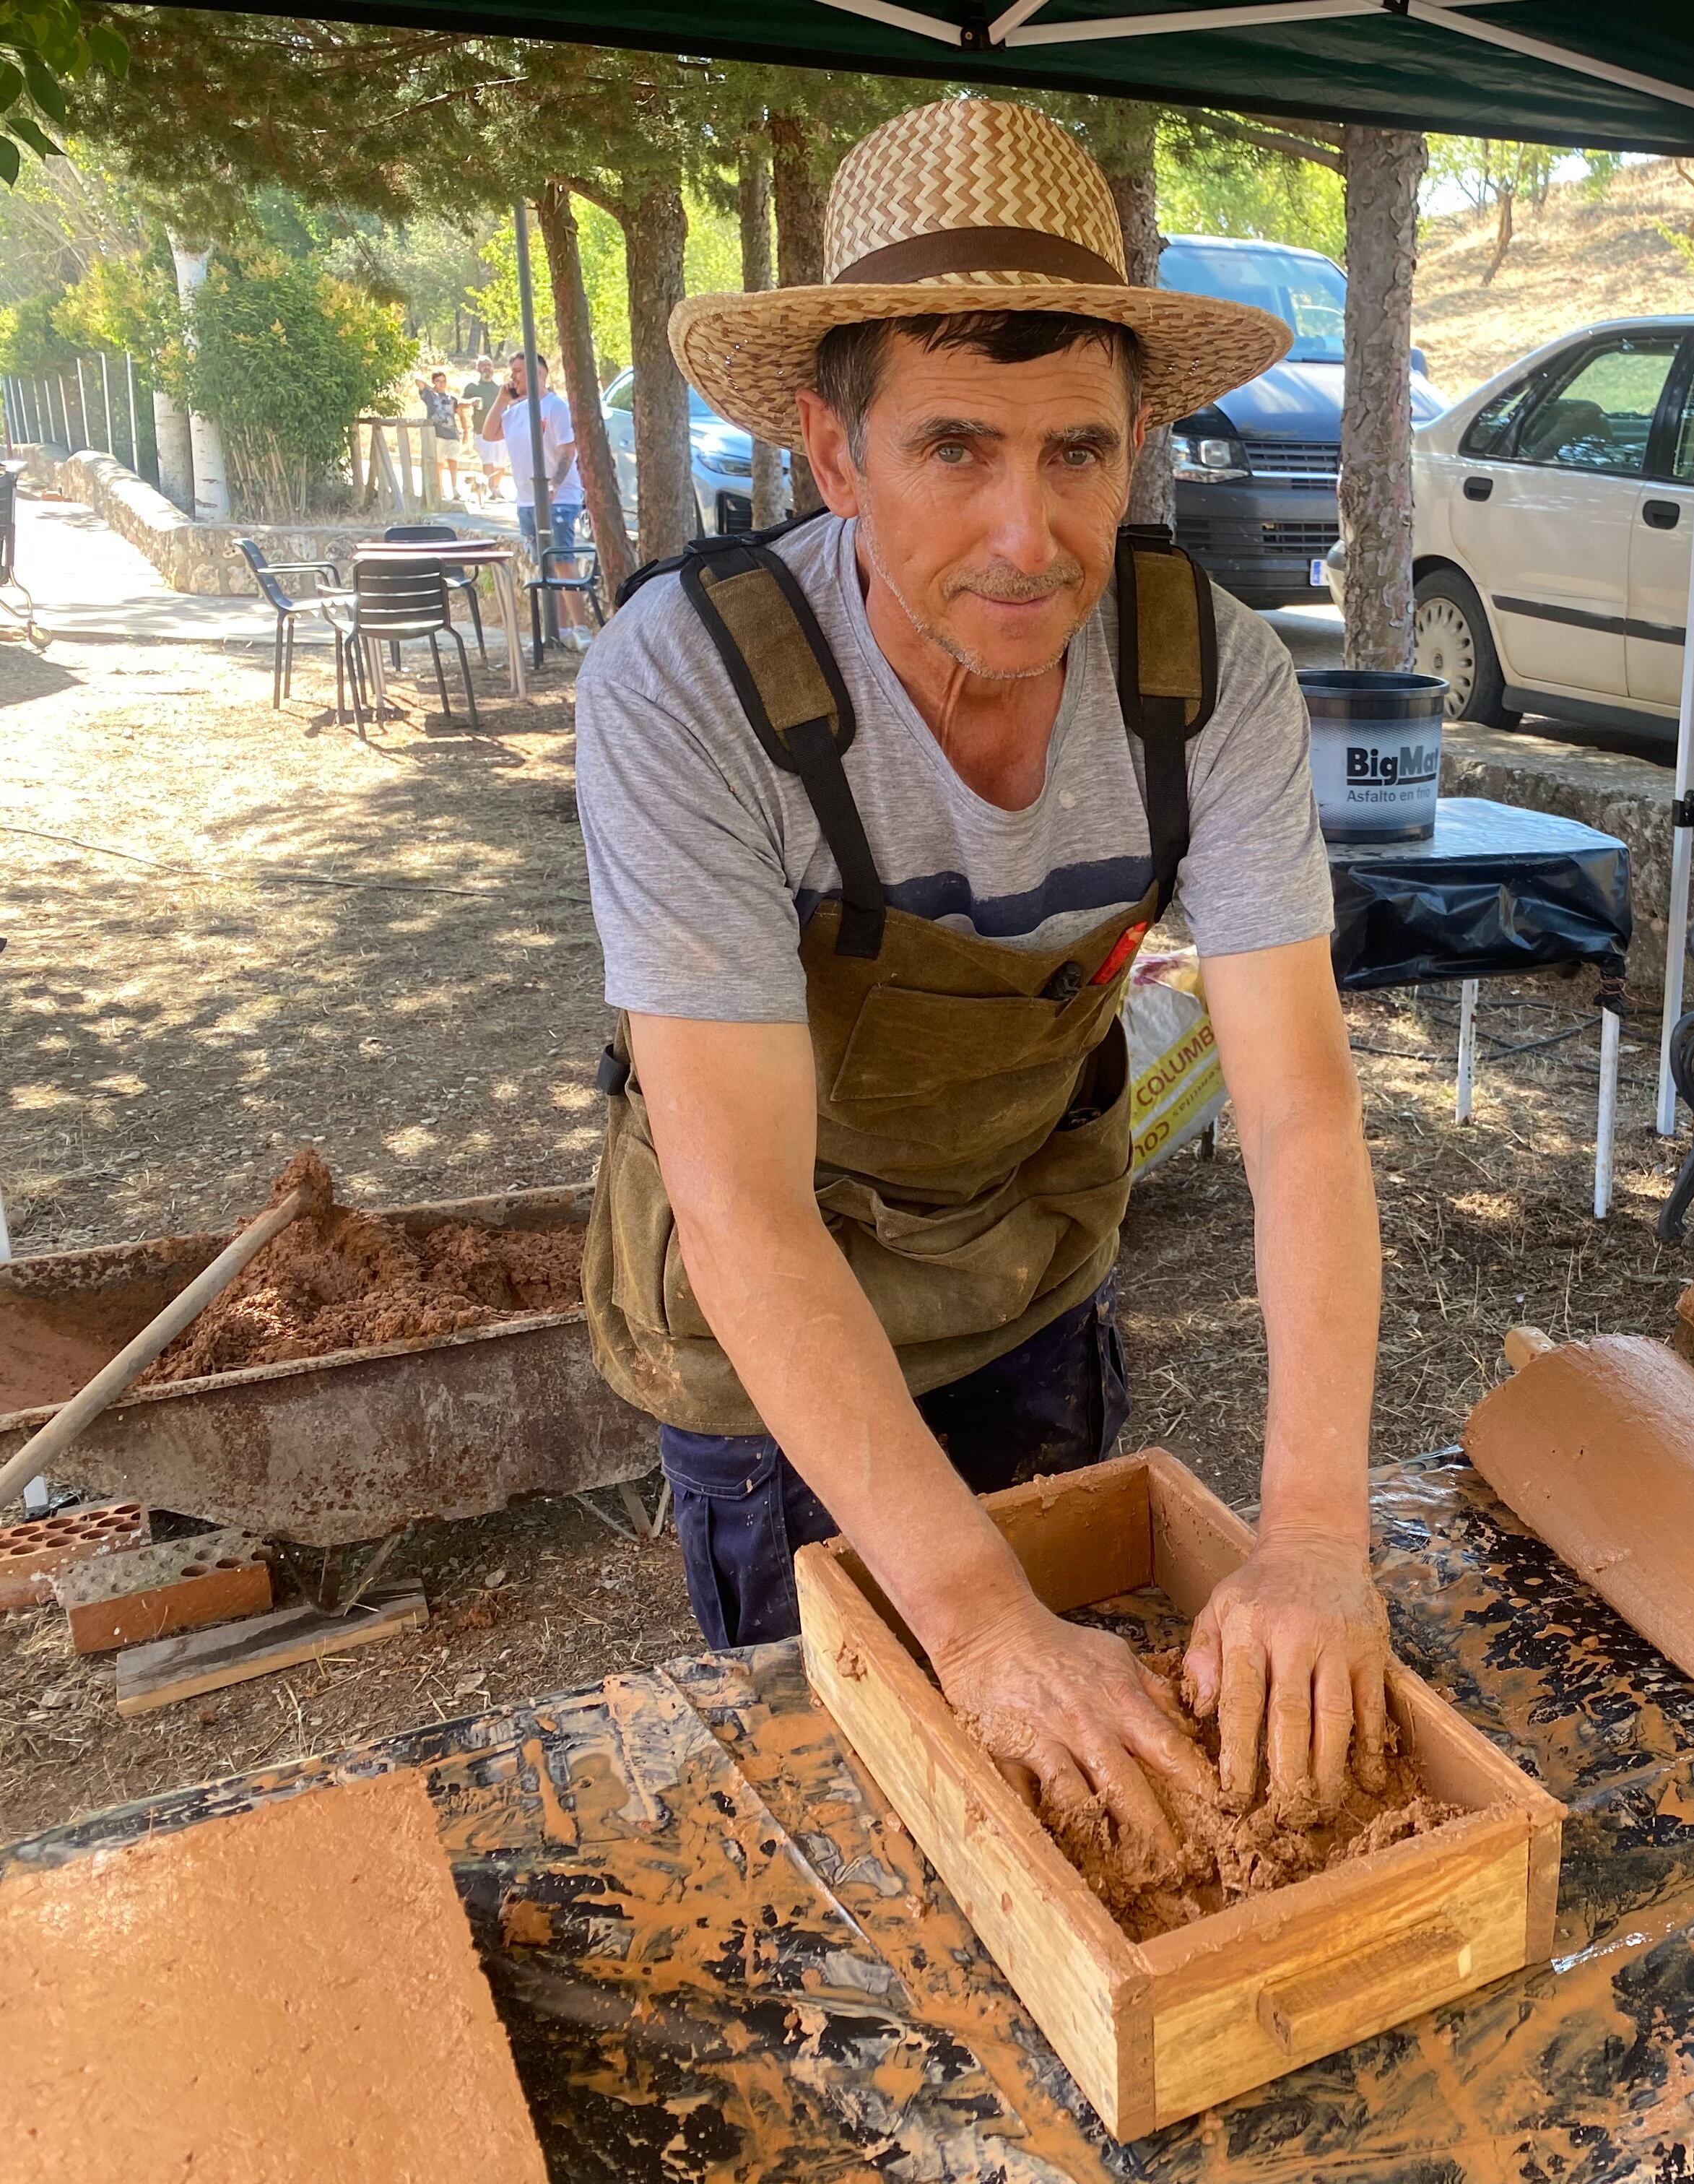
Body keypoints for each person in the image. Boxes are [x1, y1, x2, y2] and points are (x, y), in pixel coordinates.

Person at [572, 100, 1385, 1854]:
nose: (1031, 537)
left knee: (1099, 1789)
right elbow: (740, 1204)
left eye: (1079, 455)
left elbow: (1304, 1118)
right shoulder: (691, 686)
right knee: (866, 1817)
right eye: (955, 449)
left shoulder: (1205, 675)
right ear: (831, 449)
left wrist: (1316, 1532)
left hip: (1025, 1270)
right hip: (766, 1330)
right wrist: (978, 1620)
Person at [487, 356, 586, 630]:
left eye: (518, 371)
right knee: (545, 567)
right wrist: (501, 399)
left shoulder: (555, 407)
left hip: (559, 500)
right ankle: (558, 630)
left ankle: (581, 628)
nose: (513, 377)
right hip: (527, 501)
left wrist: (553, 486)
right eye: (512, 372)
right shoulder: (515, 411)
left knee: (563, 561)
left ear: (538, 372)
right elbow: (489, 432)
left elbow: (568, 450)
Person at [418, 369, 464, 499]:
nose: (441, 384)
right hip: (438, 434)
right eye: (438, 381)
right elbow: (418, 381)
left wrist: (464, 431)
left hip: (452, 434)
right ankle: (440, 488)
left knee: (453, 462)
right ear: (434, 382)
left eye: (443, 381)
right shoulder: (430, 396)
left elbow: (460, 410)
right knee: (439, 463)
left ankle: (455, 489)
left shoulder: (452, 398)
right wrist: (431, 389)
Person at [465, 360, 508, 495]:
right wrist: (470, 402)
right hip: (482, 430)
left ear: (493, 368)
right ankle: (491, 489)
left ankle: (496, 487)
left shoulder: (500, 388)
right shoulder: (472, 387)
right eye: (483, 365)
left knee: (501, 463)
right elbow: (461, 404)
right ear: (477, 368)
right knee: (488, 459)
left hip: (501, 431)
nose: (487, 368)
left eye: (489, 365)